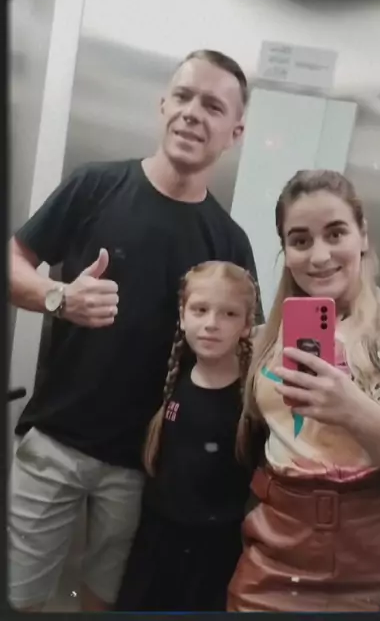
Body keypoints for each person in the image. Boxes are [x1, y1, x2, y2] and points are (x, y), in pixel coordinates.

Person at [8, 49, 262, 612]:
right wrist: (59, 297)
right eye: (184, 96)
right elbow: (14, 262)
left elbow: (249, 352)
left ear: (235, 132)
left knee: (107, 603)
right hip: (54, 443)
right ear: (163, 104)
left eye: (213, 106)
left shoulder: (228, 243)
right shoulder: (94, 186)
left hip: (145, 467)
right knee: (19, 601)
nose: (193, 112)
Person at [227, 169, 380, 613]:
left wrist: (351, 408)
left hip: (368, 560)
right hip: (272, 546)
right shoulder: (273, 334)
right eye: (300, 240)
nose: (319, 255)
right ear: (286, 251)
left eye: (336, 233)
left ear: (363, 235)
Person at [114, 261, 264, 612]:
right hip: (155, 544)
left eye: (229, 313)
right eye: (200, 310)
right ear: (182, 316)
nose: (212, 323)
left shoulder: (254, 401)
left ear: (246, 325)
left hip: (217, 556)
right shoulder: (167, 381)